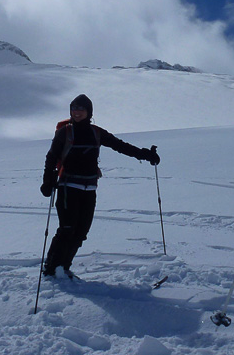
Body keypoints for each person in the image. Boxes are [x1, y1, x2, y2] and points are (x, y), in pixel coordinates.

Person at [40, 94, 160, 278]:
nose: (77, 112)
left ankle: (64, 268)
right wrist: (47, 181)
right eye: (74, 108)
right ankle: (52, 268)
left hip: (89, 189)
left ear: (89, 111)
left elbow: (120, 146)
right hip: (68, 187)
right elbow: (51, 157)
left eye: (81, 109)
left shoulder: (96, 132)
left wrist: (145, 155)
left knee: (81, 232)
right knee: (67, 229)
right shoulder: (65, 132)